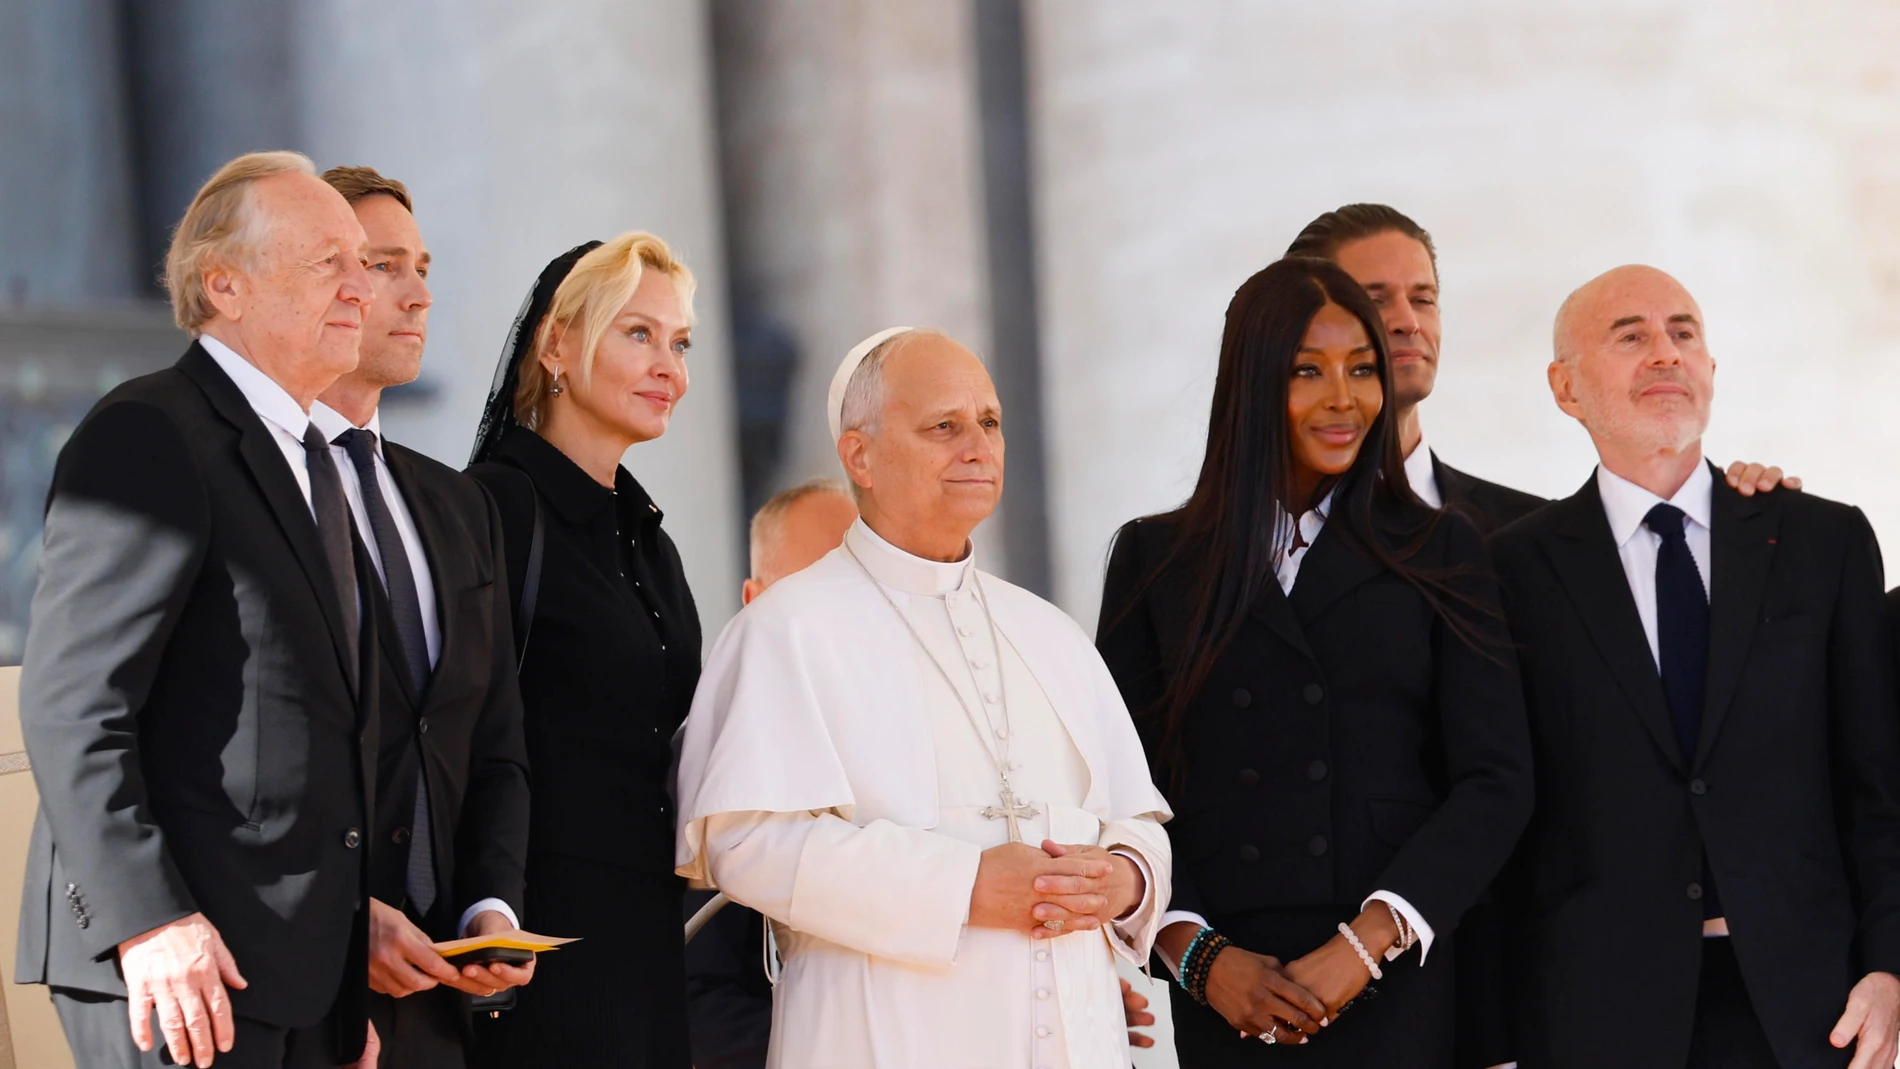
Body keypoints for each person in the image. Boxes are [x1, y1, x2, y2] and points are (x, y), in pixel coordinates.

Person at [1287, 203, 1796, 1068]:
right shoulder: (1251, 548)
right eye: (1376, 296)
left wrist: (1746, 511)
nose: (1406, 320)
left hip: (1525, 1010)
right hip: (1302, 982)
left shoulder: (1523, 538)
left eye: (1424, 297)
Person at [674, 327, 1173, 1067]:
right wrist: (965, 884)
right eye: (944, 426)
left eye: (990, 422)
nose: (978, 445)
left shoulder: (1050, 632)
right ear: (860, 455)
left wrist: (1123, 877)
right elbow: (743, 841)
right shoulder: (786, 629)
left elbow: (1142, 822)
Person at [1096, 256, 1535, 1066]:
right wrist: (1196, 955)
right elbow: (1122, 787)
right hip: (1225, 989)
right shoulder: (1155, 560)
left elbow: (1497, 780)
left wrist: (1368, 942)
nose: (1344, 399)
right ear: (1252, 383)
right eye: (1308, 371)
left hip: (1399, 976)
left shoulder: (1440, 548)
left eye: (1362, 370)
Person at [16, 151, 381, 1067]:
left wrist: (339, 984)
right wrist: (148, 922)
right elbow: (73, 705)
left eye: (363, 262)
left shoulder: (310, 458)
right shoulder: (148, 431)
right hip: (179, 970)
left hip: (292, 976)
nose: (361, 286)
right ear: (226, 284)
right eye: (325, 261)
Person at [1491, 264, 1900, 1069]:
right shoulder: (1511, 572)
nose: (1666, 353)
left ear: (1711, 370)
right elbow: (1502, 812)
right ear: (1565, 387)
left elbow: (1876, 787)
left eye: (1684, 333)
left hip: (1810, 1010)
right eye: (1631, 335)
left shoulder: (1823, 542)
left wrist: (1890, 963)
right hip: (1594, 1016)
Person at [464, 233, 702, 1067]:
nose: (667, 365)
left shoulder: (649, 539)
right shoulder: (493, 507)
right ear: (556, 344)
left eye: (679, 343)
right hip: (528, 944)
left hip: (648, 940)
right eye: (638, 334)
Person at [314, 165, 533, 1068]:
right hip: (302, 986)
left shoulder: (457, 503)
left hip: (440, 1000)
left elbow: (493, 735)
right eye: (386, 264)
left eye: (424, 266)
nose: (418, 293)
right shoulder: (254, 491)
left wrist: (492, 909)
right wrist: (333, 922)